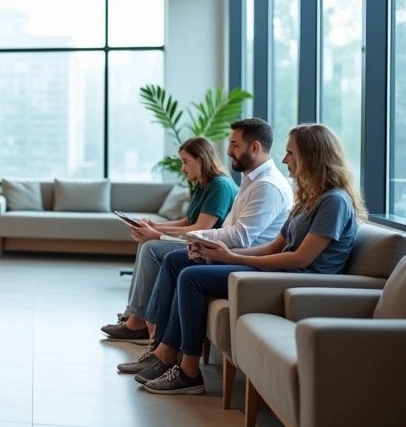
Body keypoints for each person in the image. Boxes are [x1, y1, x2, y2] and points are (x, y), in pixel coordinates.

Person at [133, 123, 365, 394]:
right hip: (281, 273)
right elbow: (273, 247)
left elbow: (300, 259)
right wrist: (223, 254)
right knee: (181, 261)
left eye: (290, 153)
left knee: (192, 277)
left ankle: (189, 372)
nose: (283, 159)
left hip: (298, 281)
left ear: (311, 156)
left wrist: (234, 258)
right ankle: (164, 352)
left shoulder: (333, 201)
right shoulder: (308, 199)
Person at [103, 118, 293, 353]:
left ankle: (154, 337)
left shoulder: (265, 186)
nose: (228, 150)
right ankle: (153, 337)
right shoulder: (250, 180)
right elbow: (207, 225)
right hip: (232, 252)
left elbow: (239, 236)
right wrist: (163, 229)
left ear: (254, 147)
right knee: (165, 254)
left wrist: (179, 237)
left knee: (163, 255)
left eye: (234, 144)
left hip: (242, 258)